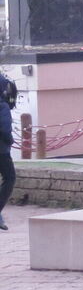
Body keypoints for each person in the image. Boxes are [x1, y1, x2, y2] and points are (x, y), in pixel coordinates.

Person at [0, 76, 17, 231]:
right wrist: (10, 140)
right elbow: (5, 129)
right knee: (10, 178)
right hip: (1, 152)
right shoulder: (3, 106)